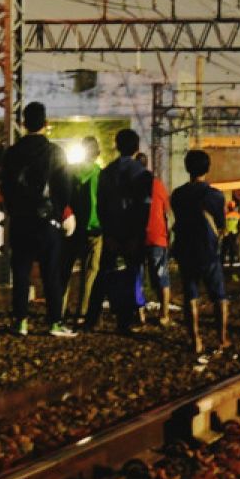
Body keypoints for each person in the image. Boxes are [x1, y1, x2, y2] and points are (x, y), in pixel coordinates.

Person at [1, 102, 75, 338]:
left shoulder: (11, 153)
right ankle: (54, 322)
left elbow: (6, 188)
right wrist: (60, 212)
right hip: (47, 222)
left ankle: (20, 322)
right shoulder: (55, 152)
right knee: (51, 274)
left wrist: (14, 210)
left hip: (21, 221)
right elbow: (64, 187)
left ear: (23, 124)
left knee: (21, 273)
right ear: (46, 124)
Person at [87, 128, 151, 333]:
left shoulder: (106, 172)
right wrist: (136, 235)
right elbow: (143, 207)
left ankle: (93, 317)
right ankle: (124, 321)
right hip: (132, 233)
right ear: (137, 148)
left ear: (117, 145)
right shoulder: (142, 174)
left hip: (112, 232)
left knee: (103, 275)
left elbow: (101, 206)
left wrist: (108, 232)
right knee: (131, 275)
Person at [170, 150, 230, 354]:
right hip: (208, 250)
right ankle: (222, 339)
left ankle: (195, 340)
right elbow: (222, 225)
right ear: (207, 168)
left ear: (187, 168)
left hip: (186, 249)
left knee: (191, 295)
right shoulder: (214, 195)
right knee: (219, 296)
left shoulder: (177, 195)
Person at [61, 136, 102, 325]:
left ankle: (59, 309)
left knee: (65, 270)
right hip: (95, 228)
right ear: (97, 154)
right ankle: (83, 311)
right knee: (91, 271)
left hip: (71, 227)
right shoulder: (100, 174)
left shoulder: (68, 172)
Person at [142, 163, 172, 326]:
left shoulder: (130, 184)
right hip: (157, 237)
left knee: (137, 277)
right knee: (162, 277)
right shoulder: (158, 185)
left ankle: (140, 315)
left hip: (137, 237)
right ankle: (164, 314)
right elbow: (167, 211)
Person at [221, 200, 240, 275]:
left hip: (227, 234)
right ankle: (231, 264)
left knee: (224, 249)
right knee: (232, 249)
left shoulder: (226, 215)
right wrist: (239, 235)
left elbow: (222, 224)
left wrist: (222, 232)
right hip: (234, 233)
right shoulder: (238, 215)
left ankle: (222, 263)